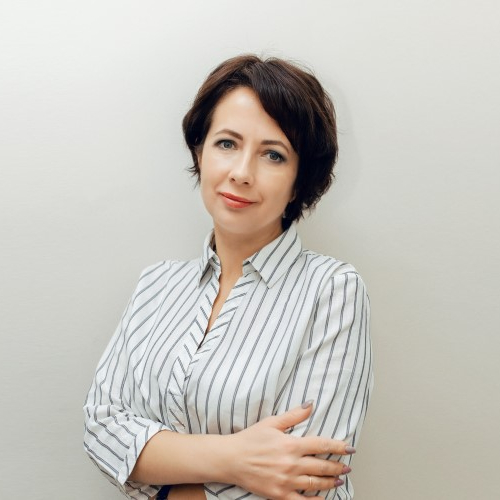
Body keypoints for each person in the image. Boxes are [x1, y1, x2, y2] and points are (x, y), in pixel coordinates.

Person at [83, 54, 373, 500]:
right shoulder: (156, 285)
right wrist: (235, 458)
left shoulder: (332, 290)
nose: (241, 173)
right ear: (200, 152)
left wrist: (163, 468)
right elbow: (102, 425)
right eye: (226, 144)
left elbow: (307, 477)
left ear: (299, 181)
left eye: (273, 155)